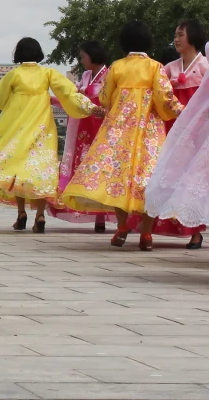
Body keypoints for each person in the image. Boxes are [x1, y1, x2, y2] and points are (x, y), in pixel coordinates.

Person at [0, 37, 101, 232]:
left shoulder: (14, 75)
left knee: (18, 170)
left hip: (18, 128)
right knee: (42, 171)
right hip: (43, 130)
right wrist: (91, 107)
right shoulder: (48, 73)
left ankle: (21, 213)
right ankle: (40, 215)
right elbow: (69, 94)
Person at [60, 20, 182, 251]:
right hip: (148, 130)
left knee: (117, 174)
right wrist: (182, 113)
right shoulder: (156, 67)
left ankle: (123, 226)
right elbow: (165, 99)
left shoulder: (117, 66)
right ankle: (146, 234)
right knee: (149, 177)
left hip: (119, 129)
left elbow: (105, 97)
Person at [140, 20, 209, 248]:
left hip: (197, 129)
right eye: (175, 35)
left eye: (181, 34)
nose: (176, 39)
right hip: (172, 125)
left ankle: (195, 232)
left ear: (194, 37)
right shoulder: (168, 67)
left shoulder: (205, 66)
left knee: (192, 176)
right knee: (168, 172)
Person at [48, 41, 113, 232]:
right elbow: (73, 98)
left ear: (93, 56)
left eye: (84, 56)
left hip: (101, 128)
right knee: (83, 167)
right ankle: (91, 212)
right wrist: (52, 99)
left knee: (101, 168)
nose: (82, 60)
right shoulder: (85, 76)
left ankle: (101, 216)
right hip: (83, 128)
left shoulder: (109, 76)